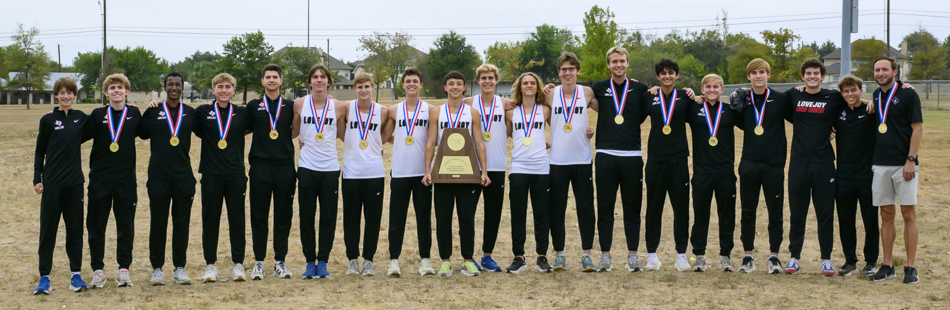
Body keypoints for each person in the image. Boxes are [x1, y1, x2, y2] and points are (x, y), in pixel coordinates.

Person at [422, 71, 491, 277]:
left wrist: (484, 171)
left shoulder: (473, 113)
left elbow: (479, 143)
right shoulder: (436, 112)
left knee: (467, 218)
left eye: (458, 84)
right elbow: (430, 143)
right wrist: (427, 170)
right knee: (443, 219)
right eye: (450, 83)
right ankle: (445, 261)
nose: (454, 87)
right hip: (442, 174)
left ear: (464, 88)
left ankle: (468, 260)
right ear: (445, 87)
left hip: (467, 174)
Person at [588, 47, 649, 272]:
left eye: (622, 61)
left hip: (632, 156)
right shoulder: (599, 87)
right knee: (605, 207)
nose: (618, 65)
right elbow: (573, 97)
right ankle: (605, 255)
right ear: (608, 64)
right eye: (614, 61)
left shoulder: (641, 88)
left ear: (627, 63)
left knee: (632, 209)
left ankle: (632, 255)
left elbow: (653, 104)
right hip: (605, 155)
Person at [730, 59, 792, 274]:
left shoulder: (780, 99)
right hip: (749, 164)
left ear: (769, 74)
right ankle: (748, 255)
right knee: (748, 211)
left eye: (762, 72)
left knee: (775, 212)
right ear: (748, 76)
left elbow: (802, 118)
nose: (758, 75)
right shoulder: (742, 99)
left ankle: (774, 256)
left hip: (773, 164)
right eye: (754, 72)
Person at [84, 73, 142, 288]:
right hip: (100, 179)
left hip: (126, 180)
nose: (116, 90)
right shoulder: (97, 114)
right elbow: (76, 133)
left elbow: (148, 131)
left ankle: (123, 269)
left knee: (125, 226)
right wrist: (55, 115)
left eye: (120, 87)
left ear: (127, 91)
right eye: (112, 88)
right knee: (96, 226)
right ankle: (98, 270)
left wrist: (154, 105)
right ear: (106, 92)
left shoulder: (135, 113)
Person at [193, 73, 253, 283]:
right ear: (213, 90)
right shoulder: (202, 112)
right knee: (211, 220)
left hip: (236, 173)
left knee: (237, 219)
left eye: (228, 86)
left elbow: (249, 129)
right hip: (211, 174)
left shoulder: (242, 113)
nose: (224, 90)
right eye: (220, 86)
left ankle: (238, 265)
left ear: (233, 90)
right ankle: (211, 265)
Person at [139, 72, 197, 285]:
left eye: (177, 84)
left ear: (182, 88)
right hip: (158, 177)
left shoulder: (191, 113)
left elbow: (212, 132)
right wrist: (144, 108)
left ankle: (179, 268)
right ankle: (157, 269)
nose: (174, 87)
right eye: (170, 84)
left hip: (183, 177)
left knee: (181, 223)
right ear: (164, 87)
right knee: (158, 222)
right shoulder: (153, 112)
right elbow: (139, 132)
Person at [869, 56, 923, 284]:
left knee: (908, 215)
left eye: (885, 69)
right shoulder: (875, 95)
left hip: (904, 165)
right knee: (886, 215)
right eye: (877, 70)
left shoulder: (909, 94)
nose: (880, 73)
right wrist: (869, 102)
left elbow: (917, 128)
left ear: (895, 71)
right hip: (880, 165)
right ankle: (888, 265)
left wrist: (910, 159)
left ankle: (910, 267)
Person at [33, 77, 89, 294]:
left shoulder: (81, 118)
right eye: (61, 92)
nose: (66, 96)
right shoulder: (47, 120)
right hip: (52, 185)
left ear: (75, 95)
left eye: (70, 92)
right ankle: (44, 278)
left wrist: (129, 105)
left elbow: (106, 118)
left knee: (75, 231)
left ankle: (76, 275)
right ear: (56, 95)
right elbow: (40, 151)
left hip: (74, 184)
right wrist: (37, 178)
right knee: (48, 231)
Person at [544, 52, 599, 271]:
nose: (567, 73)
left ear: (578, 70)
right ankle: (560, 254)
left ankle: (586, 254)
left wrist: (591, 128)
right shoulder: (549, 94)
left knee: (585, 207)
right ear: (559, 72)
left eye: (571, 69)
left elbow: (611, 107)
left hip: (582, 159)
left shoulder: (587, 92)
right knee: (557, 209)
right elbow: (529, 110)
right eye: (563, 69)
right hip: (557, 161)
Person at [381, 68, 437, 277]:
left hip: (423, 173)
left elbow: (435, 140)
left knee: (423, 218)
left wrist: (427, 169)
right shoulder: (394, 110)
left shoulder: (431, 110)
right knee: (397, 218)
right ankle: (393, 260)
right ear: (402, 85)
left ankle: (425, 260)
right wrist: (401, 141)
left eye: (415, 80)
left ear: (421, 85)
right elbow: (384, 136)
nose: (411, 84)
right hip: (400, 171)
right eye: (408, 81)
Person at [294, 64, 347, 279]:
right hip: (306, 168)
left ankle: (323, 261)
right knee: (306, 217)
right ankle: (309, 261)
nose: (318, 80)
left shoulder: (340, 107)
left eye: (322, 77)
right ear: (309, 82)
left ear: (329, 82)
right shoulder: (299, 104)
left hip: (330, 169)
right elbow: (293, 131)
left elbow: (344, 135)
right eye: (314, 77)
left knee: (328, 217)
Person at [640, 59, 692, 271]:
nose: (667, 76)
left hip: (679, 160)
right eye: (663, 73)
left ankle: (681, 255)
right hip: (655, 160)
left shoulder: (686, 97)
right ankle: (652, 255)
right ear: (657, 77)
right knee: (654, 208)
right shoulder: (649, 96)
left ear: (677, 75)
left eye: (671, 72)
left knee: (681, 209)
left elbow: (707, 104)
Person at [246, 64, 296, 280]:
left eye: (275, 76)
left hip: (285, 167)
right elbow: (241, 127)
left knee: (283, 215)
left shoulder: (291, 105)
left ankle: (280, 261)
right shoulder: (253, 105)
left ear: (281, 80)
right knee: (259, 215)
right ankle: (259, 262)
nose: (272, 80)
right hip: (260, 168)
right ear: (262, 81)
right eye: (268, 77)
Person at [684, 74, 739, 272]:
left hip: (725, 171)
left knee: (727, 216)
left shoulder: (730, 110)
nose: (712, 90)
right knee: (701, 215)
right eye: (708, 86)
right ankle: (699, 255)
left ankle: (726, 255)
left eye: (716, 86)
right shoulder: (694, 108)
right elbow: (673, 100)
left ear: (722, 89)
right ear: (703, 90)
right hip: (702, 172)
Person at [504, 72, 553, 274]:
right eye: (525, 83)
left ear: (538, 86)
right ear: (519, 87)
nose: (529, 86)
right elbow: (505, 133)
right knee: (518, 215)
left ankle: (542, 256)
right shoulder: (510, 111)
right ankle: (519, 257)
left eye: (533, 83)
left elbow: (561, 128)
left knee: (542, 214)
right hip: (518, 168)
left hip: (541, 167)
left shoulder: (546, 109)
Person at [340, 73, 388, 276]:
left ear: (373, 87)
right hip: (351, 172)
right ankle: (352, 260)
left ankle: (368, 260)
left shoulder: (383, 111)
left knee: (373, 218)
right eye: (359, 86)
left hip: (374, 172)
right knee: (351, 218)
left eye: (367, 86)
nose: (363, 90)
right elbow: (339, 131)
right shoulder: (346, 108)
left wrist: (376, 145)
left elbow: (385, 134)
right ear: (354, 89)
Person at [832, 75, 880, 277]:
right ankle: (850, 260)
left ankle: (871, 262)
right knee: (846, 221)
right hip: (843, 176)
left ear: (861, 90)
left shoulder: (872, 111)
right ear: (842, 94)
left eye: (853, 90)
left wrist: (872, 103)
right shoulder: (838, 112)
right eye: (846, 91)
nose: (850, 94)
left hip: (867, 176)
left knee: (870, 221)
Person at [462, 64, 508, 273]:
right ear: (478, 81)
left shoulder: (506, 103)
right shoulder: (468, 103)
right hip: (471, 167)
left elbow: (518, 126)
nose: (487, 81)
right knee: (467, 214)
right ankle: (468, 257)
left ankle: (487, 256)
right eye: (483, 78)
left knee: (493, 214)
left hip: (496, 165)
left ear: (496, 80)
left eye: (491, 78)